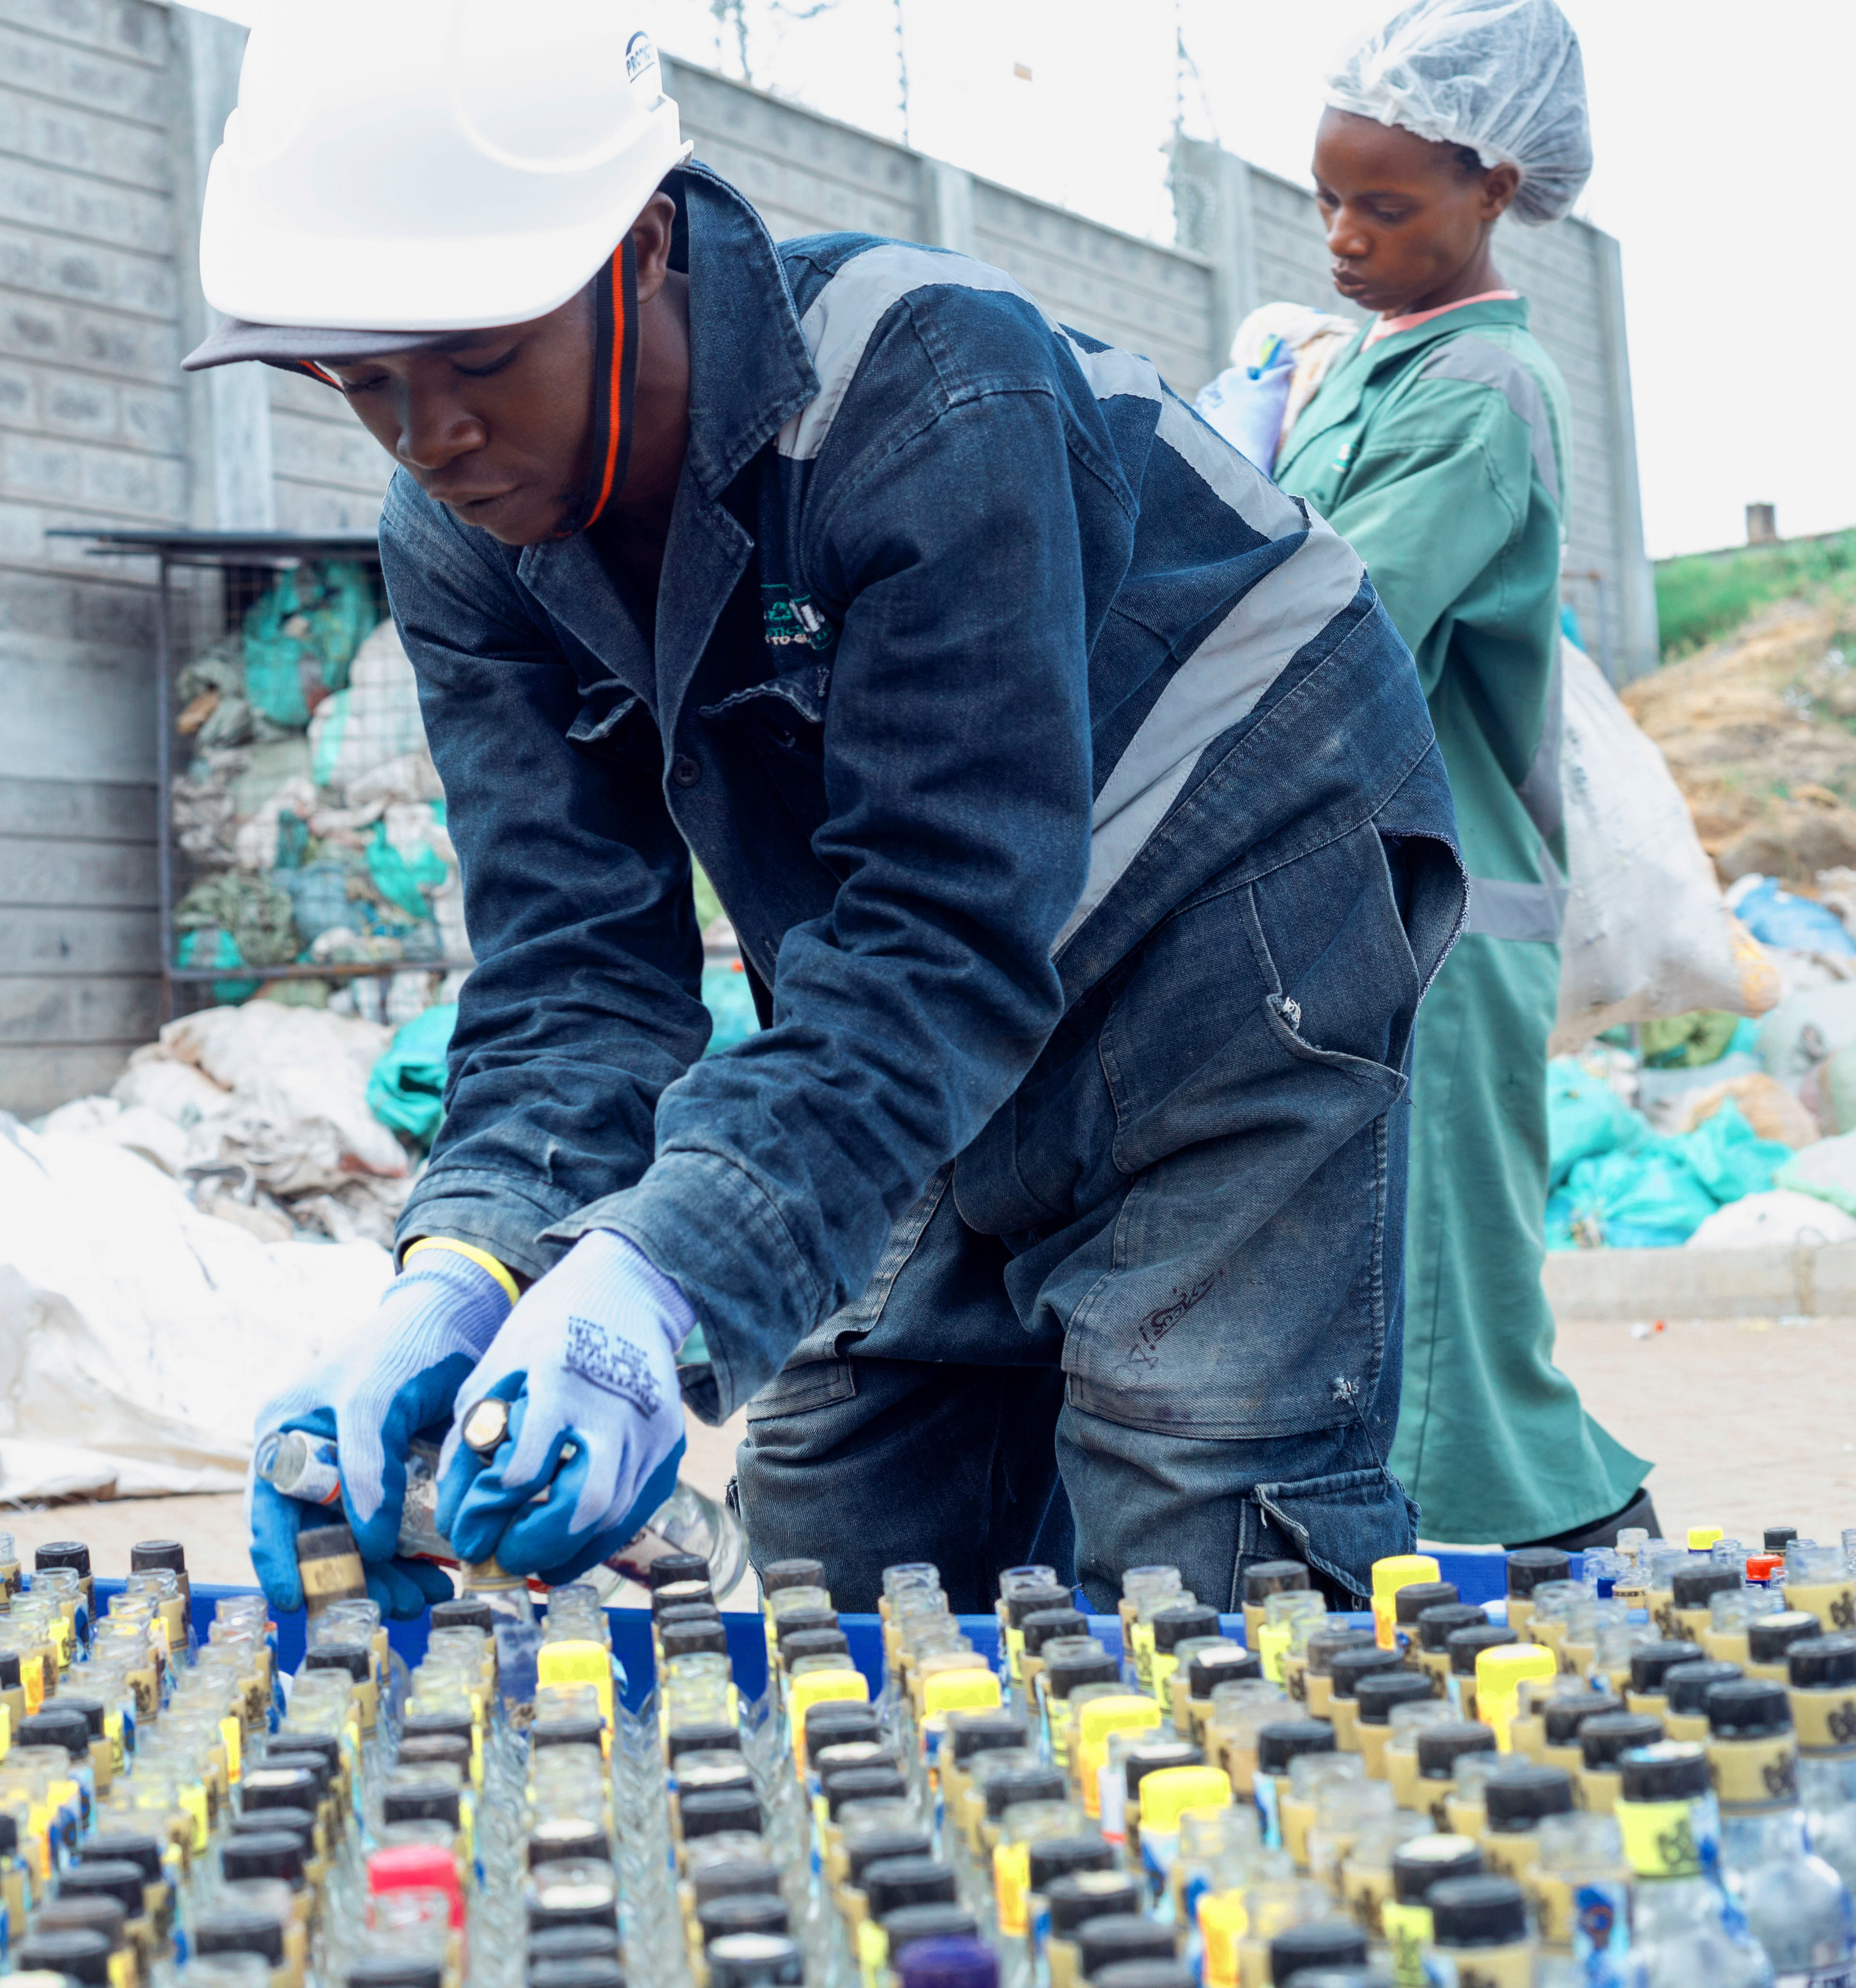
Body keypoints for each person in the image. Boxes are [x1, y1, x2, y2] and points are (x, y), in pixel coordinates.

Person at [201, 0, 1464, 1617]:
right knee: (849, 1526)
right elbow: (575, 970)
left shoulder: (924, 392)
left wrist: (661, 1274)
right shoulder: (461, 536)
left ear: (641, 244)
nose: (433, 436)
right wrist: (469, 1267)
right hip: (935, 951)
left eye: (482, 358)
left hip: (1229, 882)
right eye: (364, 381)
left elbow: (946, 922)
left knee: (1196, 1510)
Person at [1273, 0, 1651, 1550]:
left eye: (1388, 205)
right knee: (1392, 1296)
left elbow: (1323, 624)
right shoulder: (1370, 370)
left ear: (1497, 189)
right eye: (1329, 201)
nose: (1346, 240)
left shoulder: (1485, 392)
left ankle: (1559, 1548)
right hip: (1365, 903)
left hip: (1446, 918)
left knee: (1446, 1313)